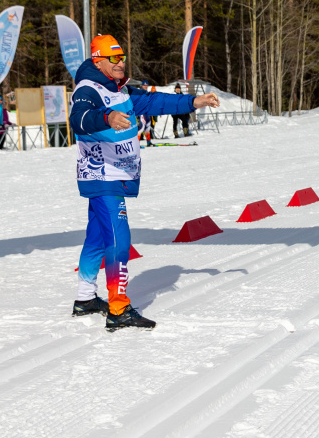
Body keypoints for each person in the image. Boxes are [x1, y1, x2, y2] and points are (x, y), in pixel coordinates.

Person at [69, 35, 220, 331]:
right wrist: (107, 117)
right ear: (98, 61)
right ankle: (119, 308)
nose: (120, 62)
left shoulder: (118, 89)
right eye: (113, 58)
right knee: (118, 238)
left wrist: (194, 101)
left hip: (112, 175)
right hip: (104, 175)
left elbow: (154, 100)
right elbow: (79, 119)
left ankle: (86, 298)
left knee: (98, 237)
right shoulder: (89, 88)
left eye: (122, 56)